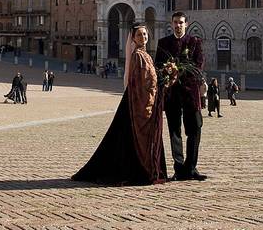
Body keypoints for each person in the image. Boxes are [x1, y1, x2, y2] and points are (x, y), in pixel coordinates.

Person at [72, 22, 167, 186]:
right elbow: (140, 83)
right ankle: (140, 169)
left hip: (141, 100)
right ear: (133, 38)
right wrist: (157, 86)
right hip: (140, 103)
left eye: (145, 34)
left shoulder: (145, 54)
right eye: (139, 35)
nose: (143, 37)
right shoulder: (138, 55)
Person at [155, 11, 206, 181]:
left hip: (190, 93)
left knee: (195, 129)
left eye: (181, 22)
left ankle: (191, 168)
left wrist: (179, 72)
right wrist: (168, 73)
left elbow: (198, 65)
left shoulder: (194, 42)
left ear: (186, 24)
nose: (178, 25)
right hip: (172, 94)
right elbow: (158, 67)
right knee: (174, 131)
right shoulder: (163, 43)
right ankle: (179, 168)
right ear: (171, 24)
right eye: (175, 22)